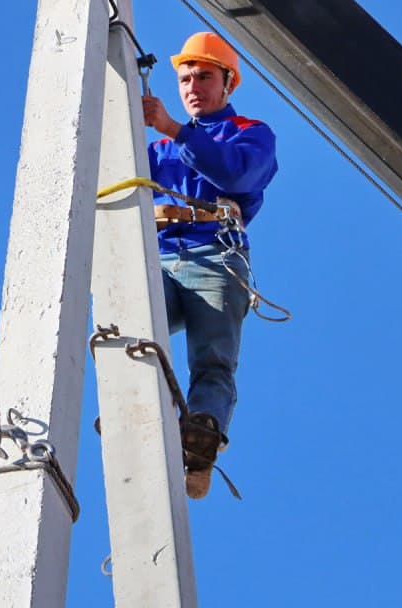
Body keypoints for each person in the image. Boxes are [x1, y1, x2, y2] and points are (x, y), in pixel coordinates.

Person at [141, 32, 278, 499]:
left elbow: (236, 174)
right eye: (185, 78)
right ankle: (140, 411)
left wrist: (176, 130)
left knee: (214, 360)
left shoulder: (249, 132)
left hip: (215, 256)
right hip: (159, 255)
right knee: (133, 327)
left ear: (228, 83)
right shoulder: (156, 153)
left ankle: (199, 443)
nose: (193, 86)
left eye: (203, 76)